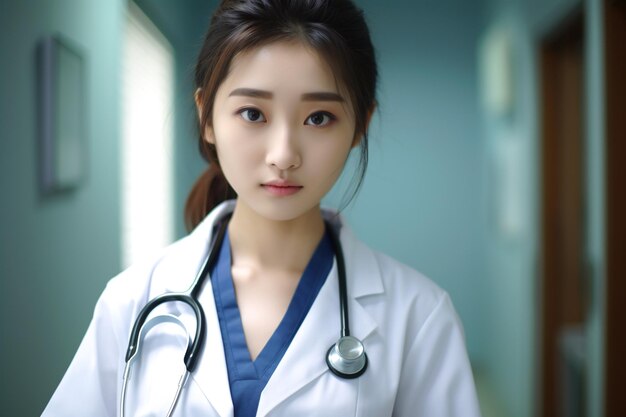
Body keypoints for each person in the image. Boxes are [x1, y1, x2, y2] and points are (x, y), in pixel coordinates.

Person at [43, 0, 481, 416]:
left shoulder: (418, 316)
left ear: (359, 126)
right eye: (253, 113)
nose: (283, 154)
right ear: (207, 117)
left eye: (318, 118)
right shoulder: (132, 300)